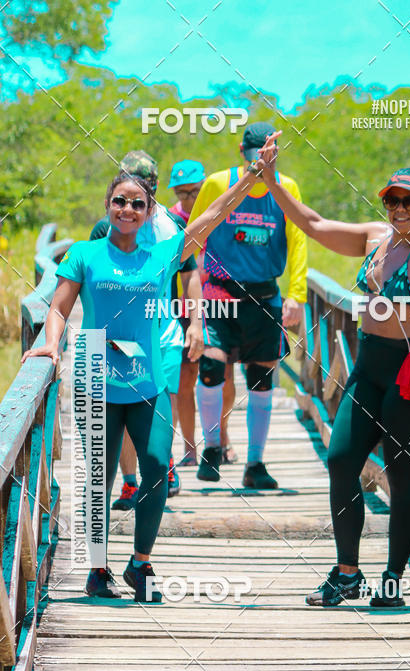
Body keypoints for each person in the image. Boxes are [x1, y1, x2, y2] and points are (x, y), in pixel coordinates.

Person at [22, 145, 273, 602]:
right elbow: (58, 309)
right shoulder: (84, 253)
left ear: (149, 208)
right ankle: (97, 568)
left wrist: (252, 174)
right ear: (108, 205)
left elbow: (214, 213)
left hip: (147, 380)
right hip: (98, 374)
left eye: (138, 203)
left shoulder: (163, 253)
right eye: (120, 201)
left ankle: (140, 562)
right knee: (98, 476)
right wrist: (48, 347)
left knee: (157, 466)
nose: (128, 209)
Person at [260, 149, 410, 607]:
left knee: (402, 476)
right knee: (340, 459)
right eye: (392, 201)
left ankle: (393, 581)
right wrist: (273, 180)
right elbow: (314, 225)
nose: (399, 209)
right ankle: (347, 572)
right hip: (368, 365)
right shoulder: (376, 238)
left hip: (409, 372)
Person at [189, 121, 307, 489]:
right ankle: (212, 447)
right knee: (210, 367)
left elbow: (299, 238)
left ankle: (255, 463)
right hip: (219, 290)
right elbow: (194, 233)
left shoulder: (286, 188)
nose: (262, 159)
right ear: (243, 152)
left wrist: (297, 295)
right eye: (257, 153)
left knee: (261, 379)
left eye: (269, 153)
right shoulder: (217, 183)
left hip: (264, 294)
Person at [90, 151, 203, 505]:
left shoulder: (171, 226)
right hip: (114, 337)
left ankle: (162, 462)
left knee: (159, 402)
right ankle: (129, 481)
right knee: (121, 409)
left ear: (153, 190)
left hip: (160, 331)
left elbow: (191, 274)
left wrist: (196, 323)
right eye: (124, 194)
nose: (130, 204)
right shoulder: (101, 229)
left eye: (141, 193)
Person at [167, 159, 211, 468]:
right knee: (185, 380)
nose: (189, 200)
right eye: (182, 193)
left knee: (217, 376)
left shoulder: (220, 213)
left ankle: (221, 441)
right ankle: (189, 447)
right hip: (185, 309)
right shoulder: (170, 221)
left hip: (222, 301)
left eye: (195, 192)